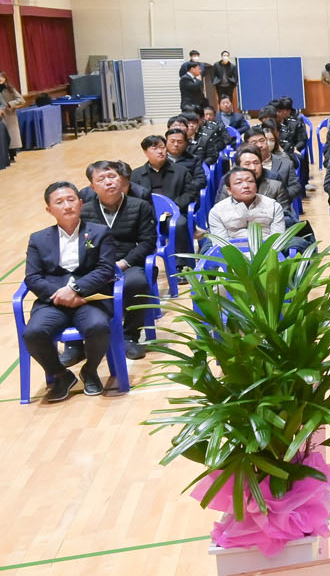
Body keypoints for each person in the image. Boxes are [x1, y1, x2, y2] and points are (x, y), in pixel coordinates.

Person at [23, 183, 118, 402]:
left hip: (89, 299)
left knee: (97, 327)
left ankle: (90, 371)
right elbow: (32, 277)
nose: (67, 206)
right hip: (53, 301)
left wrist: (75, 290)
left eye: (71, 199)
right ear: (49, 210)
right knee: (33, 334)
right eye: (59, 202)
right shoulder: (38, 239)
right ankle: (61, 375)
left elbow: (105, 270)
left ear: (80, 203)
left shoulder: (100, 232)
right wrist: (60, 294)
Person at [80, 162, 158, 360]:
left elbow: (148, 242)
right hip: (97, 268)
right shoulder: (83, 212)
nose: (109, 182)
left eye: (112, 177)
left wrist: (123, 263)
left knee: (137, 282)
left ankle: (130, 336)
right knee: (73, 283)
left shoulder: (140, 206)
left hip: (128, 264)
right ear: (92, 187)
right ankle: (76, 344)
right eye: (101, 179)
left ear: (121, 180)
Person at [207, 167, 285, 250]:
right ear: (229, 190)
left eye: (250, 181)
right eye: (239, 182)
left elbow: (278, 240)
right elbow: (221, 245)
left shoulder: (273, 206)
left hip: (268, 252)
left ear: (256, 186)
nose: (246, 186)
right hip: (232, 254)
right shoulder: (217, 211)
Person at [133, 132, 203, 211]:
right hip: (147, 213)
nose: (160, 151)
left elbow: (190, 192)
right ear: (145, 152)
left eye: (162, 147)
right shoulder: (136, 174)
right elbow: (133, 198)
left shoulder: (181, 171)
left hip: (175, 211)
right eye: (155, 148)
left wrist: (176, 205)